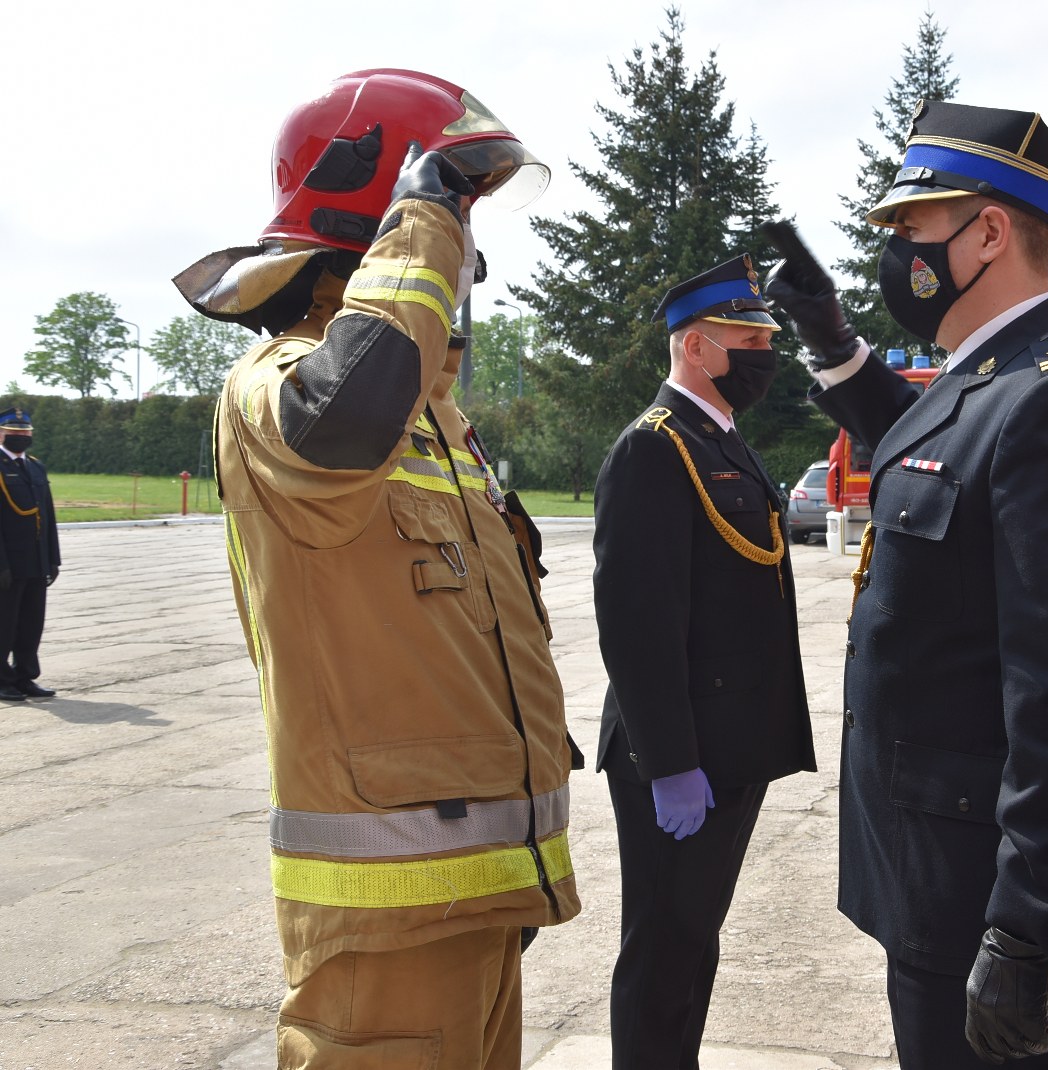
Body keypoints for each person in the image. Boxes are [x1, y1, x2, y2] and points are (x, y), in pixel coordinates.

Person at [173, 70, 578, 1069]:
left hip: (480, 894)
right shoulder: (277, 383)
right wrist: (427, 215)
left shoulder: (439, 422)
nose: (466, 254)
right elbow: (341, 418)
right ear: (390, 220)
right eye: (454, 219)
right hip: (387, 919)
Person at [763, 99, 1048, 1068]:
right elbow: (935, 446)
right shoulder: (991, 376)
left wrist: (1028, 925)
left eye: (912, 224)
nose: (897, 248)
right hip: (937, 882)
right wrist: (834, 344)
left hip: (987, 901)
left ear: (988, 234)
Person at [591, 253, 816, 1068]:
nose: (765, 355)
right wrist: (669, 762)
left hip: (729, 747)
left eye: (766, 339)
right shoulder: (655, 447)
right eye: (749, 341)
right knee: (661, 952)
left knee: (693, 942)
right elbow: (635, 624)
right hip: (682, 754)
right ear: (695, 346)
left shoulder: (719, 439)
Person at [0, 408, 59, 702]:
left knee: (31, 624)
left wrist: (53, 559)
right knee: (4, 625)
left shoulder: (36, 467)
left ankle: (25, 676)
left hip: (35, 561)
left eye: (25, 432)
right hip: (8, 564)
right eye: (14, 432)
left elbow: (47, 516)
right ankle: (2, 680)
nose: (21, 436)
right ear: (1, 434)